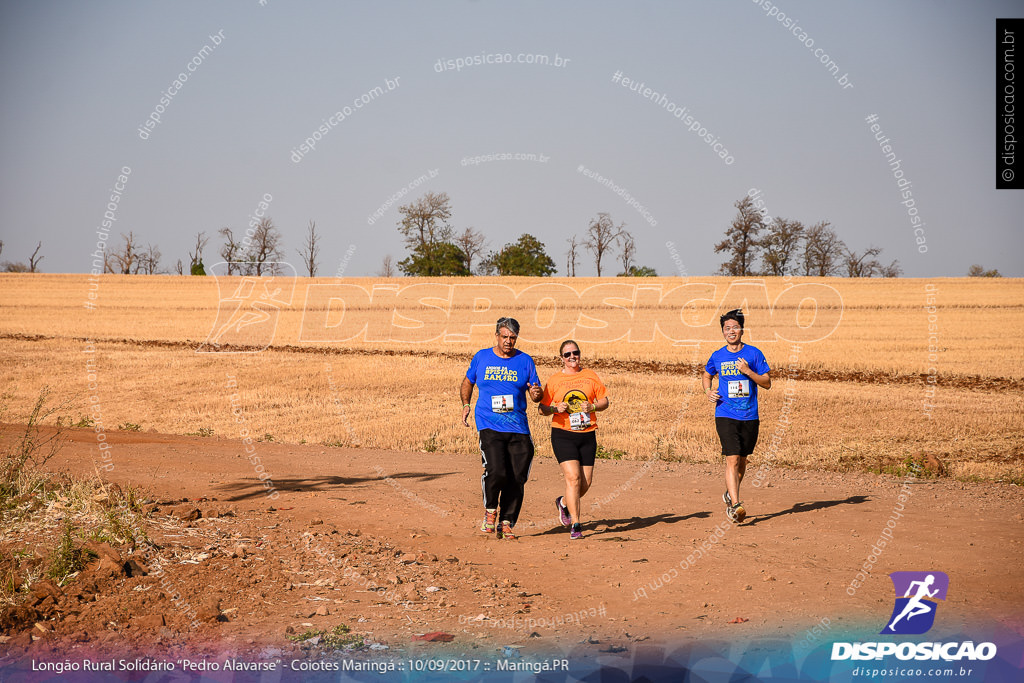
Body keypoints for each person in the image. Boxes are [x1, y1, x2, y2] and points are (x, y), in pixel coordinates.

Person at [461, 317, 542, 540]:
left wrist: (537, 395)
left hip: (518, 427)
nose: (508, 341)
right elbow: (468, 382)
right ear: (496, 335)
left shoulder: (525, 361)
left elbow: (536, 392)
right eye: (505, 337)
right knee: (496, 471)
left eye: (513, 338)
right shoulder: (482, 357)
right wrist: (466, 404)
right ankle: (490, 512)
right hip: (489, 423)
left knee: (517, 476)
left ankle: (506, 522)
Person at [702, 309, 771, 523]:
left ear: (741, 329)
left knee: (742, 461)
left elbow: (767, 383)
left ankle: (729, 494)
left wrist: (748, 371)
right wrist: (708, 391)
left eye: (734, 327)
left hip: (750, 415)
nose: (731, 331)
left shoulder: (754, 354)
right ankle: (736, 505)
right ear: (723, 332)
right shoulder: (718, 356)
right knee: (731, 459)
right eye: (726, 328)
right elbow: (707, 375)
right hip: (725, 412)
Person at [539, 340, 609, 540]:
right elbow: (541, 409)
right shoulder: (554, 380)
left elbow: (605, 401)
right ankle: (576, 525)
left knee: (585, 483)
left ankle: (563, 503)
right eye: (567, 354)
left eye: (575, 353)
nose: (572, 357)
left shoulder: (590, 376)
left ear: (579, 354)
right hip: (563, 434)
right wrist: (554, 409)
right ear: (561, 358)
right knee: (573, 478)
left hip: (587, 434)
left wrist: (593, 407)